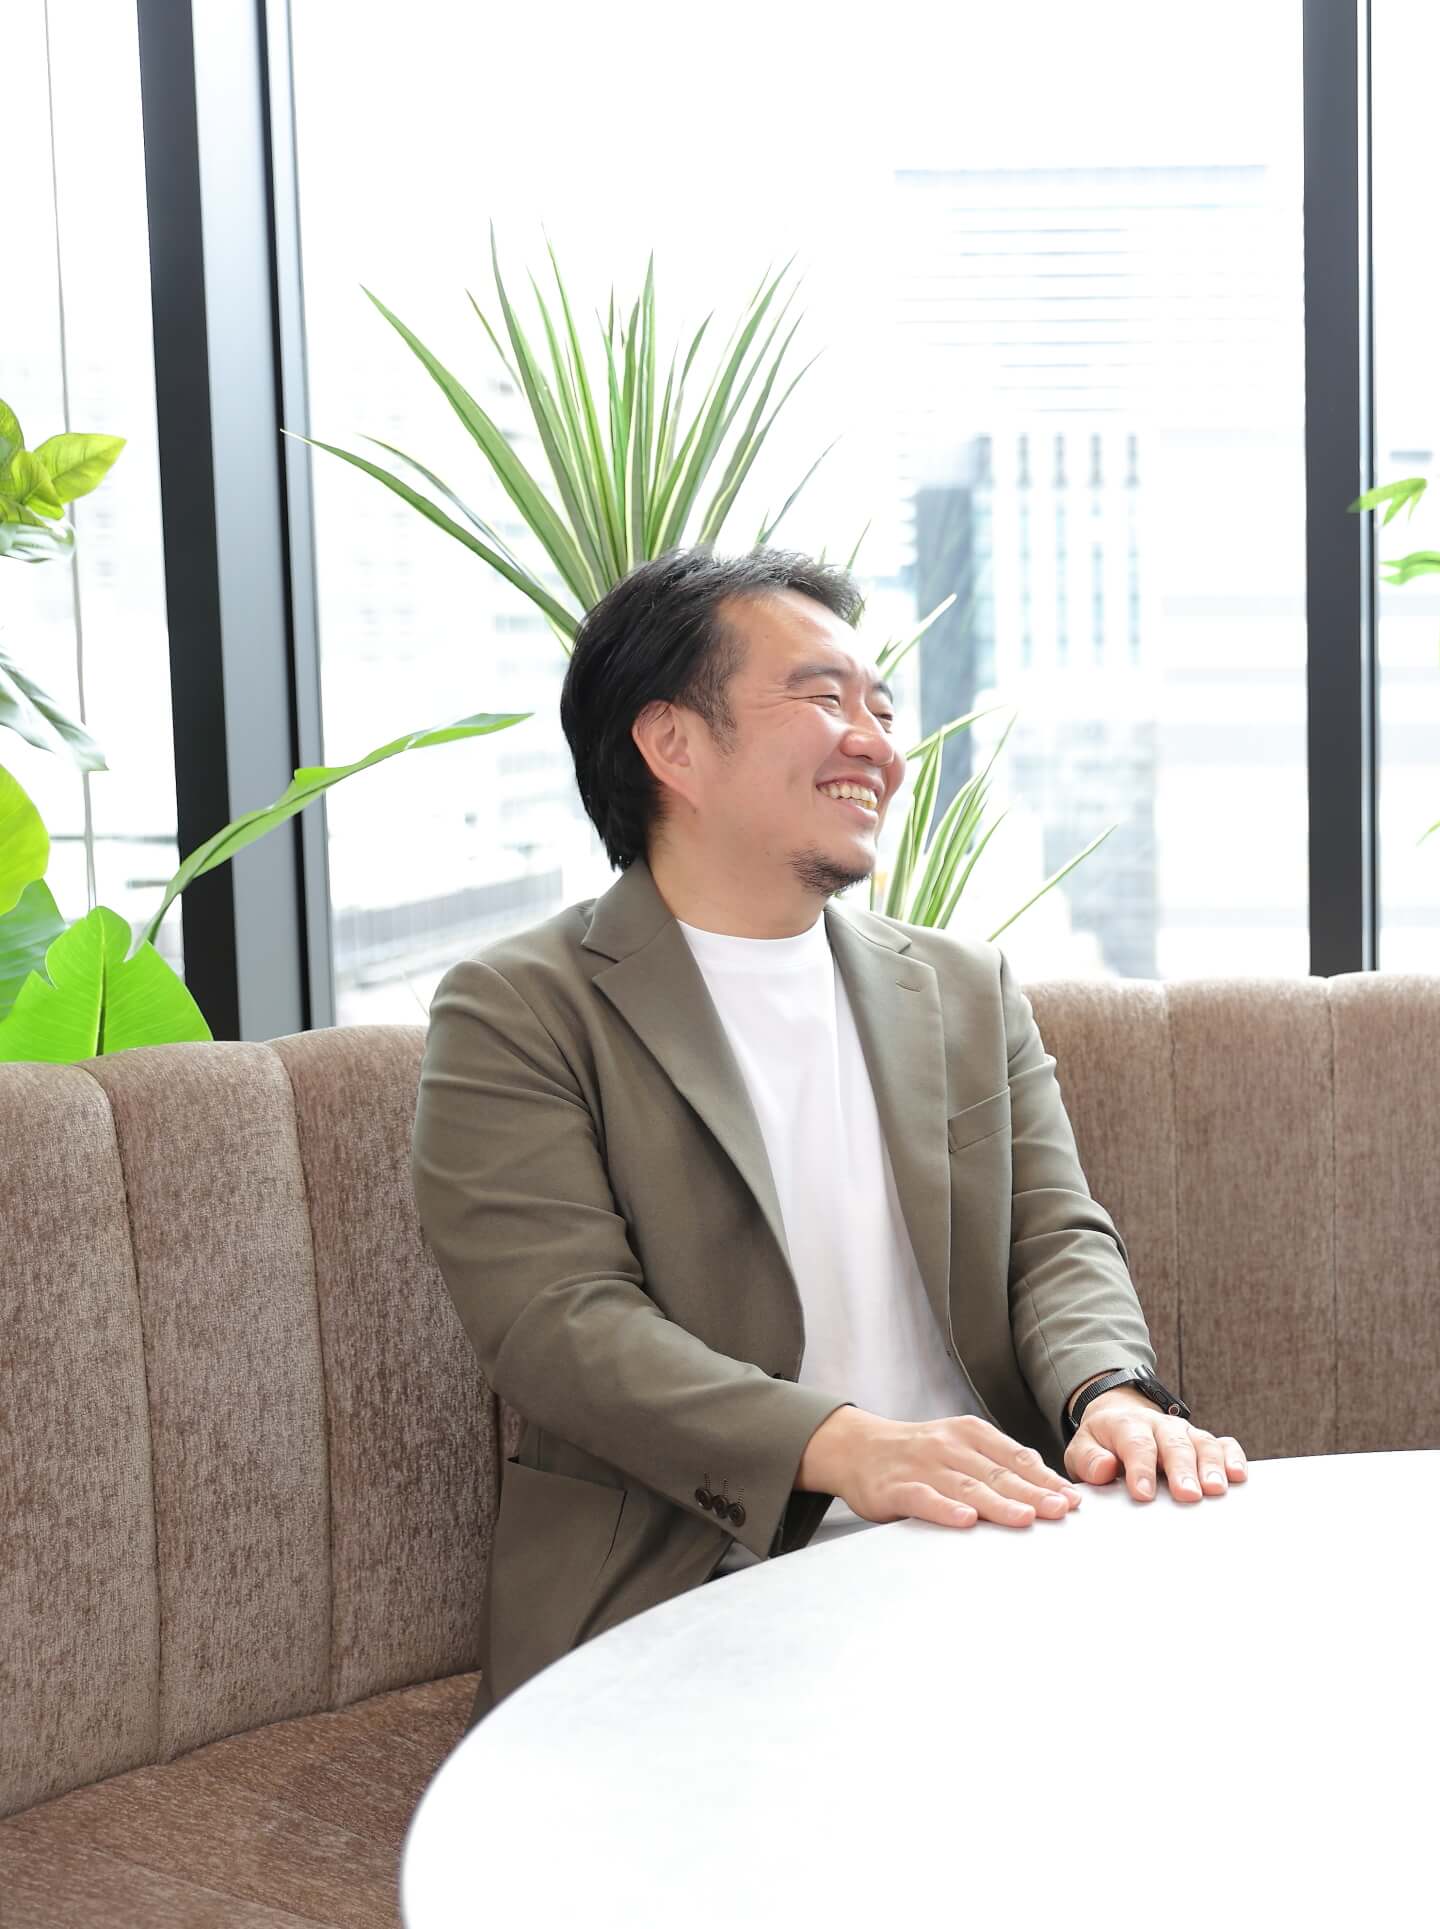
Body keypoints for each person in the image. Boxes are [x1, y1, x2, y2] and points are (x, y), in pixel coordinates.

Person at [414, 547, 1244, 1715]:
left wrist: (1106, 1393)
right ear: (672, 745)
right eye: (822, 698)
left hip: (989, 1547)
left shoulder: (961, 987)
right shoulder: (519, 1008)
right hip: (696, 1582)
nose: (877, 746)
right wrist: (849, 1446)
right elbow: (562, 1327)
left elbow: (1053, 1238)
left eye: (882, 710)